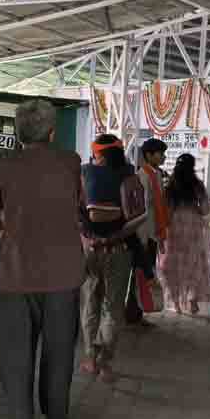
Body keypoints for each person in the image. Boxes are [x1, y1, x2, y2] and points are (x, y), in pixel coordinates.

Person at [0, 100, 85, 419]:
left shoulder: (5, 167)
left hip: (17, 274)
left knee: (17, 360)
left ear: (17, 133)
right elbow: (81, 208)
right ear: (51, 132)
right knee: (59, 353)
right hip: (64, 275)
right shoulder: (71, 163)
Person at [79, 134, 147, 384]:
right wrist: (116, 235)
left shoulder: (84, 174)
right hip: (119, 249)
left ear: (97, 152)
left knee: (89, 302)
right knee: (112, 307)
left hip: (90, 249)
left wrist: (89, 236)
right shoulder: (131, 176)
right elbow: (141, 215)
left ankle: (89, 357)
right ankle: (106, 361)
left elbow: (74, 212)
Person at [158, 153, 210, 314]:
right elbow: (205, 209)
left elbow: (165, 209)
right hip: (193, 226)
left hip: (174, 226)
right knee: (193, 262)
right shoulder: (198, 185)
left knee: (172, 264)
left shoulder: (169, 186)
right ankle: (192, 298)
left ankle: (175, 303)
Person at [125, 138, 169, 329]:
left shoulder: (156, 174)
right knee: (141, 274)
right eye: (159, 153)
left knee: (145, 273)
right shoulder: (143, 176)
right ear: (148, 155)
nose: (163, 156)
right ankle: (133, 314)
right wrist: (142, 238)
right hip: (144, 233)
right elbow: (141, 210)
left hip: (152, 232)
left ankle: (137, 312)